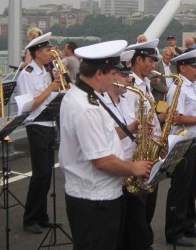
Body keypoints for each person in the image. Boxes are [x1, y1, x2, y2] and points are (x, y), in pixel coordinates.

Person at [59, 39, 152, 249]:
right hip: (95, 200)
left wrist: (130, 129)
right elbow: (101, 160)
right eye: (112, 74)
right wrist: (133, 168)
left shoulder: (83, 96)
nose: (115, 80)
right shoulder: (87, 107)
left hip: (97, 196)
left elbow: (102, 137)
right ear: (99, 73)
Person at [165, 48, 196, 247]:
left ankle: (188, 224)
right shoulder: (178, 88)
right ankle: (174, 231)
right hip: (183, 142)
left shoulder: (195, 85)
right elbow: (176, 118)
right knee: (180, 187)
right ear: (183, 67)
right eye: (194, 66)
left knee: (193, 185)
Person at [17, 32, 63, 234]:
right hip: (36, 125)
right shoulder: (27, 74)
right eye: (47, 51)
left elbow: (49, 99)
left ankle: (42, 216)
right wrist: (49, 89)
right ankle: (30, 218)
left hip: (49, 124)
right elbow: (29, 105)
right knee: (40, 173)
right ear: (37, 53)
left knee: (47, 174)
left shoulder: (46, 72)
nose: (50, 54)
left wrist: (58, 88)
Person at [122, 39, 163, 250]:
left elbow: (151, 118)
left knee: (148, 205)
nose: (153, 65)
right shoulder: (130, 87)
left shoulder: (145, 83)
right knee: (137, 209)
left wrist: (160, 141)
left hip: (150, 152)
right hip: (137, 154)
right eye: (150, 61)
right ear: (138, 60)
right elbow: (131, 122)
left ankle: (145, 239)